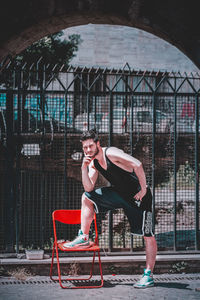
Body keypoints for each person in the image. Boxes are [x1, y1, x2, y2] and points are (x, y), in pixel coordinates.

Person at [63, 129, 157, 288]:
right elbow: (89, 188)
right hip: (119, 194)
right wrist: (83, 168)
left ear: (98, 144)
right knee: (87, 197)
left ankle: (148, 275)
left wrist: (143, 189)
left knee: (148, 235)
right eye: (85, 147)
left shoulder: (111, 153)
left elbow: (137, 164)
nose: (88, 150)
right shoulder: (92, 161)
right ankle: (84, 237)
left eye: (90, 146)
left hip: (139, 197)